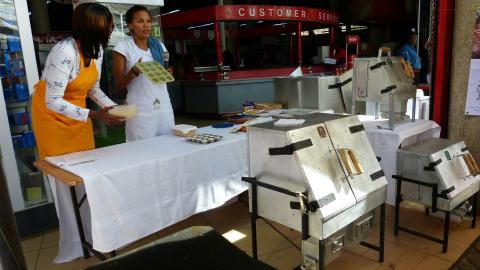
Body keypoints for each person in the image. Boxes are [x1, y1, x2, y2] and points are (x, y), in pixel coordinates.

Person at [32, 3, 123, 160]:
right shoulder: (64, 52)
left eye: (111, 25)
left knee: (85, 162)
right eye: (107, 26)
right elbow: (53, 101)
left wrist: (114, 108)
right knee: (61, 170)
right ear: (92, 28)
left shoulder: (97, 50)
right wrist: (96, 114)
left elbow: (93, 89)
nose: (111, 30)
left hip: (78, 115)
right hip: (52, 118)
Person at [112, 5, 175, 141]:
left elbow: (165, 70)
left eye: (148, 21)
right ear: (130, 25)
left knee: (168, 147)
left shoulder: (159, 46)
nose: (146, 25)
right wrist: (134, 72)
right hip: (140, 111)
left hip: (163, 107)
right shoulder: (123, 47)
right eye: (140, 21)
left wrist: (168, 72)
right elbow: (118, 84)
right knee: (141, 152)